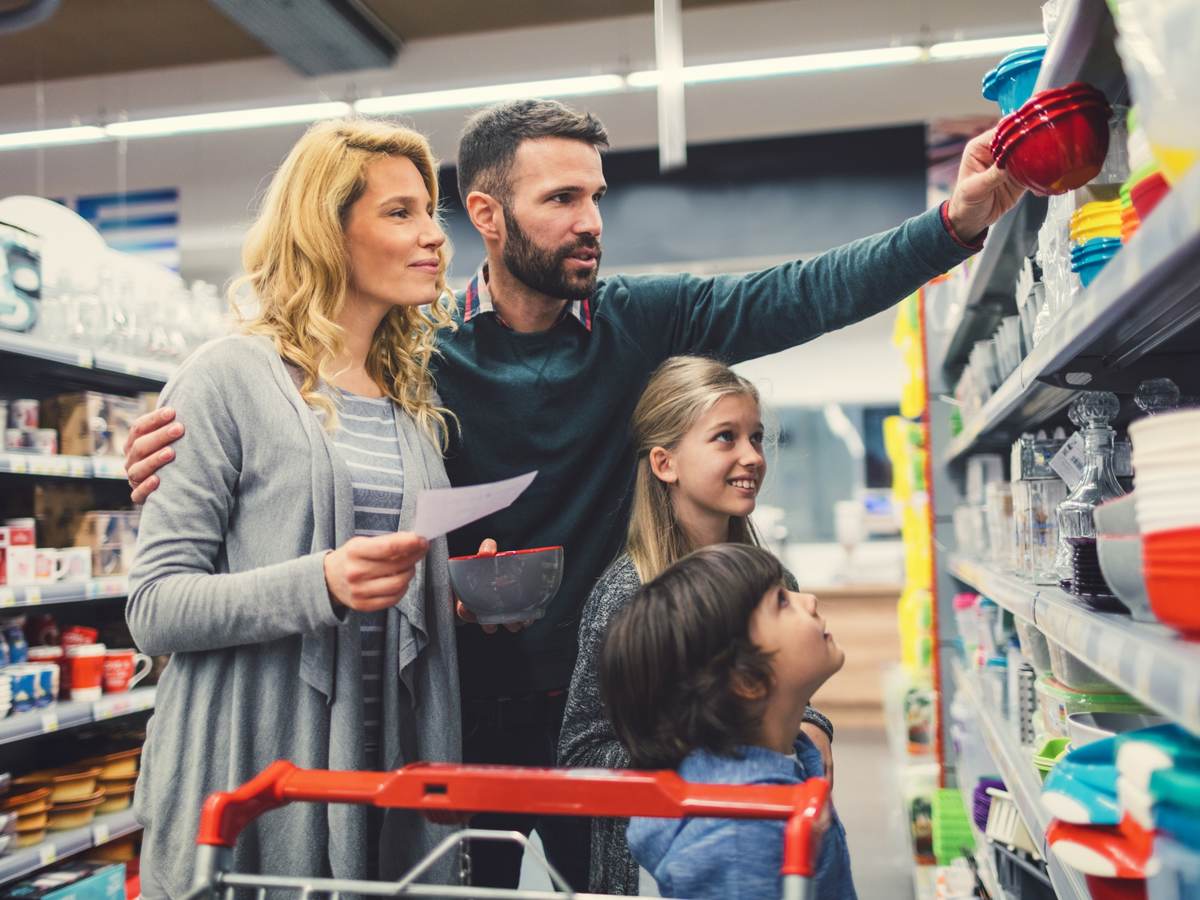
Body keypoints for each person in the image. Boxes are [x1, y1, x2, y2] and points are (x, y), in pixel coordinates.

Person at [123, 99, 1021, 890]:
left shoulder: (640, 320)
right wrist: (180, 453)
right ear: (488, 214)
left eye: (596, 196)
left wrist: (953, 222)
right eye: (561, 200)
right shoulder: (414, 350)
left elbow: (798, 294)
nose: (592, 221)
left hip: (602, 703)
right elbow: (290, 412)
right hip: (439, 701)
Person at [125, 118, 472, 898]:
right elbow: (153, 608)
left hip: (382, 778)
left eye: (432, 214)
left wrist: (450, 595)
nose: (433, 236)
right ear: (326, 229)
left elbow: (380, 588)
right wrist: (321, 583)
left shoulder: (409, 408)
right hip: (252, 772)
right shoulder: (226, 379)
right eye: (400, 212)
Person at [558, 355, 833, 894]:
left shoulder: (775, 579)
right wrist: (710, 746)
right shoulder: (628, 594)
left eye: (756, 437)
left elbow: (780, 689)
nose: (752, 456)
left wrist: (815, 723)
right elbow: (582, 754)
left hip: (772, 845)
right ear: (665, 463)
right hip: (655, 867)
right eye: (725, 438)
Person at [602, 543, 855, 900]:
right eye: (781, 601)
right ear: (747, 682)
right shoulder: (740, 836)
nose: (809, 600)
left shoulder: (784, 761)